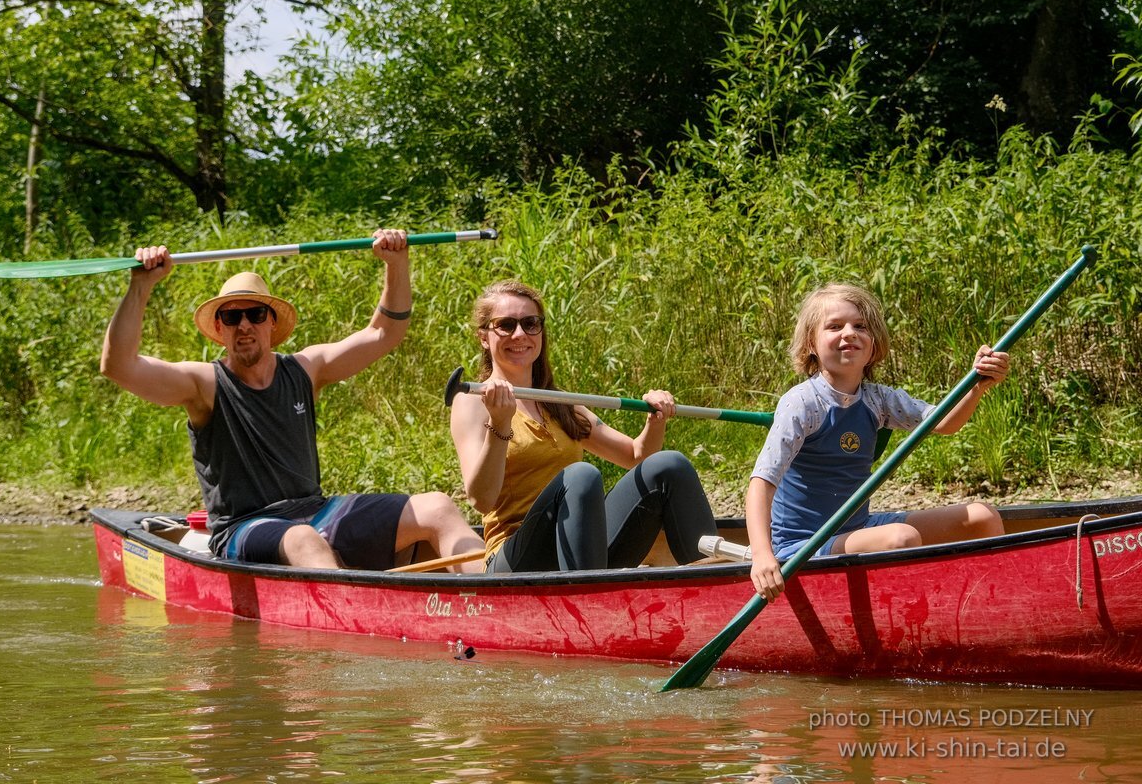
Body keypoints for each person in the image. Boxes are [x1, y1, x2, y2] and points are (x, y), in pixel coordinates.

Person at [100, 229, 484, 572]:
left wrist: (396, 263)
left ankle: (495, 594)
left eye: (254, 314)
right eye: (232, 317)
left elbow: (384, 334)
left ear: (271, 323)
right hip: (243, 527)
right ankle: (342, 629)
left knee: (437, 506)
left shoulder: (306, 369)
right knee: (303, 539)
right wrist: (141, 285)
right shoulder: (203, 384)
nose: (244, 325)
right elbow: (119, 366)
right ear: (220, 329)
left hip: (316, 512)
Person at [747, 283, 1008, 601]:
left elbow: (944, 422)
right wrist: (762, 556)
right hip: (804, 545)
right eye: (834, 326)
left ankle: (990, 601)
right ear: (811, 344)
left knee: (983, 517)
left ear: (873, 345)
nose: (849, 333)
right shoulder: (802, 403)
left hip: (859, 526)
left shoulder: (876, 399)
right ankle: (917, 610)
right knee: (901, 538)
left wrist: (978, 384)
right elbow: (761, 483)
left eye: (860, 326)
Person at [449, 279, 717, 573]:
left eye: (530, 323)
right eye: (506, 325)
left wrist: (656, 421)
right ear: (484, 337)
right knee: (580, 476)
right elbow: (481, 499)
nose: (520, 334)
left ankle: (711, 579)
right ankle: (587, 598)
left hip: (581, 549)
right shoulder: (473, 401)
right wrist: (500, 423)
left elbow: (636, 456)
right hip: (514, 561)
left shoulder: (558, 402)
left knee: (669, 466)